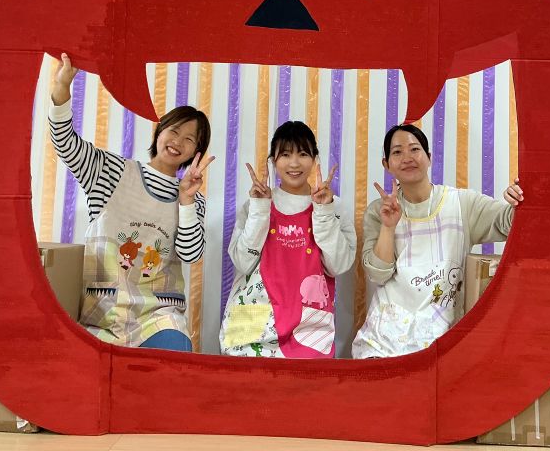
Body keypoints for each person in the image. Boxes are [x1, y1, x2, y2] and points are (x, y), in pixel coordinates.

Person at [49, 53, 213, 351]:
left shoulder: (193, 200)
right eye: (174, 130)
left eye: (190, 139)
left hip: (159, 316)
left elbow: (191, 255)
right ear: (160, 130)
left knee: (176, 353)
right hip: (102, 314)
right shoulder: (110, 172)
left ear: (195, 153)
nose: (178, 141)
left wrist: (186, 200)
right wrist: (61, 91)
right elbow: (66, 144)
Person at [351, 124, 523, 358]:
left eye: (414, 149)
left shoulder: (461, 204)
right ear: (386, 164)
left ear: (429, 157)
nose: (407, 158)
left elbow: (508, 223)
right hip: (385, 339)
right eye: (397, 152)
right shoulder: (378, 211)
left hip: (441, 341)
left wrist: (520, 200)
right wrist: (388, 227)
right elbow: (378, 274)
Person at [219, 121, 356, 358]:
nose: (294, 163)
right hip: (252, 328)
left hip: (309, 330)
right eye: (285, 154)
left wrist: (323, 212)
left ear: (314, 159)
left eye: (302, 154)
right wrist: (260, 209)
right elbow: (243, 262)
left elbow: (337, 266)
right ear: (273, 160)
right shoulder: (255, 204)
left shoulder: (333, 206)